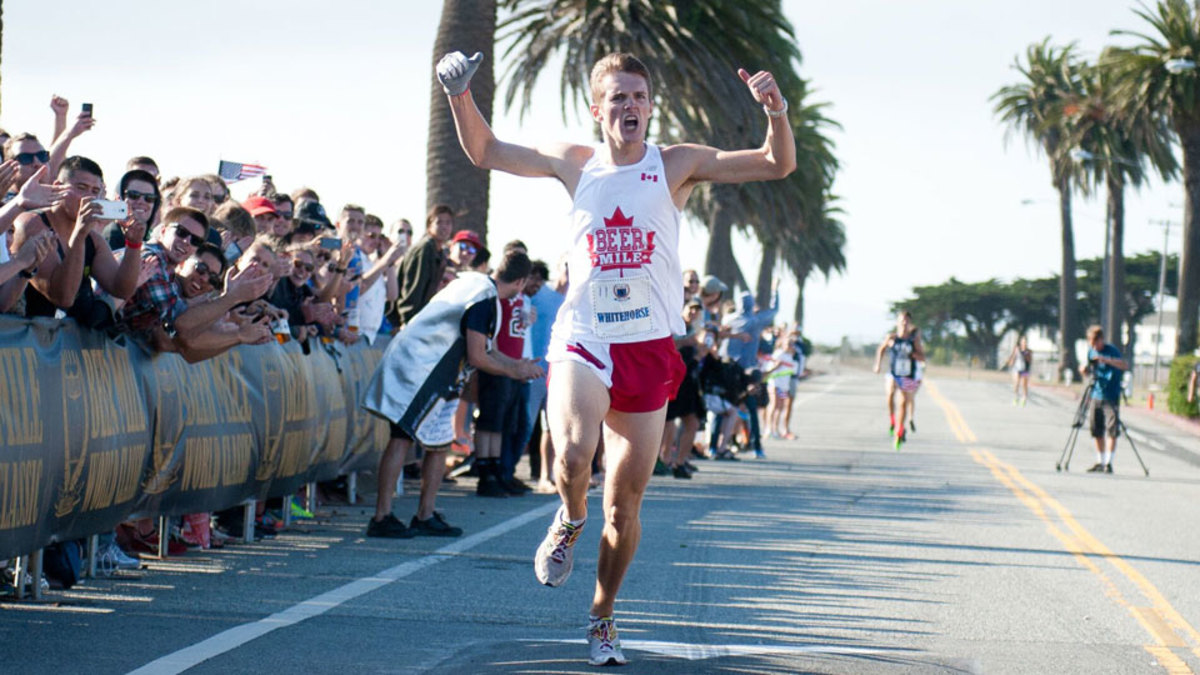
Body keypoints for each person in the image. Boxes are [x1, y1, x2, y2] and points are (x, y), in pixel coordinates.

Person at [437, 48, 795, 666]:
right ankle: (568, 517)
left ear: (650, 107)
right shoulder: (575, 163)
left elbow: (775, 163)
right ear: (597, 109)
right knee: (574, 456)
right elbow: (486, 151)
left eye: (639, 97)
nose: (631, 106)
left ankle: (602, 616)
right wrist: (458, 94)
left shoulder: (676, 163)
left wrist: (776, 111)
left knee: (624, 507)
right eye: (619, 97)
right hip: (585, 337)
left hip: (648, 346)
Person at [361, 250, 544, 538]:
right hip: (419, 369)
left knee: (439, 442)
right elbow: (478, 356)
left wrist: (517, 365)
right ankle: (381, 516)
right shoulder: (484, 299)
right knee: (401, 438)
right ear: (520, 282)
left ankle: (425, 514)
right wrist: (514, 371)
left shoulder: (477, 284)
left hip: (437, 372)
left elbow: (487, 349)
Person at [1079, 325, 1128, 474]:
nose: (1094, 347)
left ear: (1101, 339)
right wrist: (1084, 371)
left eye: (1096, 343)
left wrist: (1107, 360)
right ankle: (1100, 460)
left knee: (1112, 428)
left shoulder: (1111, 350)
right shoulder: (1091, 352)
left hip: (1111, 394)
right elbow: (1089, 371)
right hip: (1096, 394)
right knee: (1096, 429)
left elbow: (1124, 365)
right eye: (1091, 343)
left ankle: (1108, 462)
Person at [873, 311, 924, 449]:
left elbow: (922, 357)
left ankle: (900, 429)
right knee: (890, 393)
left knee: (903, 403)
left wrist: (914, 355)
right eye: (902, 320)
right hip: (893, 372)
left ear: (910, 323)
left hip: (907, 375)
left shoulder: (913, 340)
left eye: (907, 320)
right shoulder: (892, 338)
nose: (904, 323)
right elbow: (881, 349)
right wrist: (878, 364)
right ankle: (892, 420)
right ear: (897, 322)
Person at [1004, 335, 1033, 407]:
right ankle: (1016, 397)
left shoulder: (1028, 351)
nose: (1024, 343)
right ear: (1020, 342)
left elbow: (1029, 360)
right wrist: (1010, 362)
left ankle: (1024, 398)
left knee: (1024, 385)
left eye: (1025, 342)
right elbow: (1013, 357)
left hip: (1025, 369)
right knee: (1016, 384)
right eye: (1023, 342)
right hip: (1016, 368)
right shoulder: (1017, 349)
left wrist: (1025, 353)